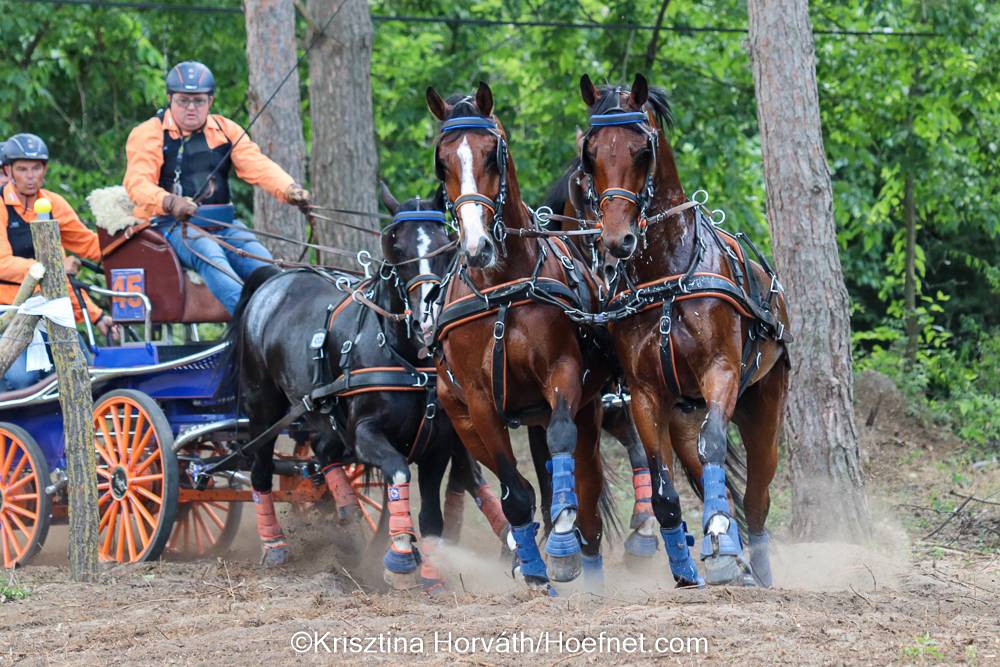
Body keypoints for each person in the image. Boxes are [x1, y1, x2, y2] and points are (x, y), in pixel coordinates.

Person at [123, 61, 311, 314]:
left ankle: (288, 317)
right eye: (183, 101)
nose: (191, 108)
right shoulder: (149, 133)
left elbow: (257, 165)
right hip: (173, 225)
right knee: (210, 254)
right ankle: (251, 322)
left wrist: (289, 189)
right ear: (170, 99)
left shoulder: (225, 129)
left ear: (210, 101)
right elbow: (137, 183)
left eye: (199, 101)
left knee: (262, 262)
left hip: (224, 224)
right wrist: (170, 202)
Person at [0, 133, 115, 390]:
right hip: (9, 310)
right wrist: (49, 267)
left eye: (36, 168)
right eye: (22, 169)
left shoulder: (54, 203)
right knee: (22, 380)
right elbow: (2, 263)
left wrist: (132, 244)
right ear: (8, 170)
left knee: (86, 373)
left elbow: (91, 247)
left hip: (51, 307)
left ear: (45, 169)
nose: (30, 175)